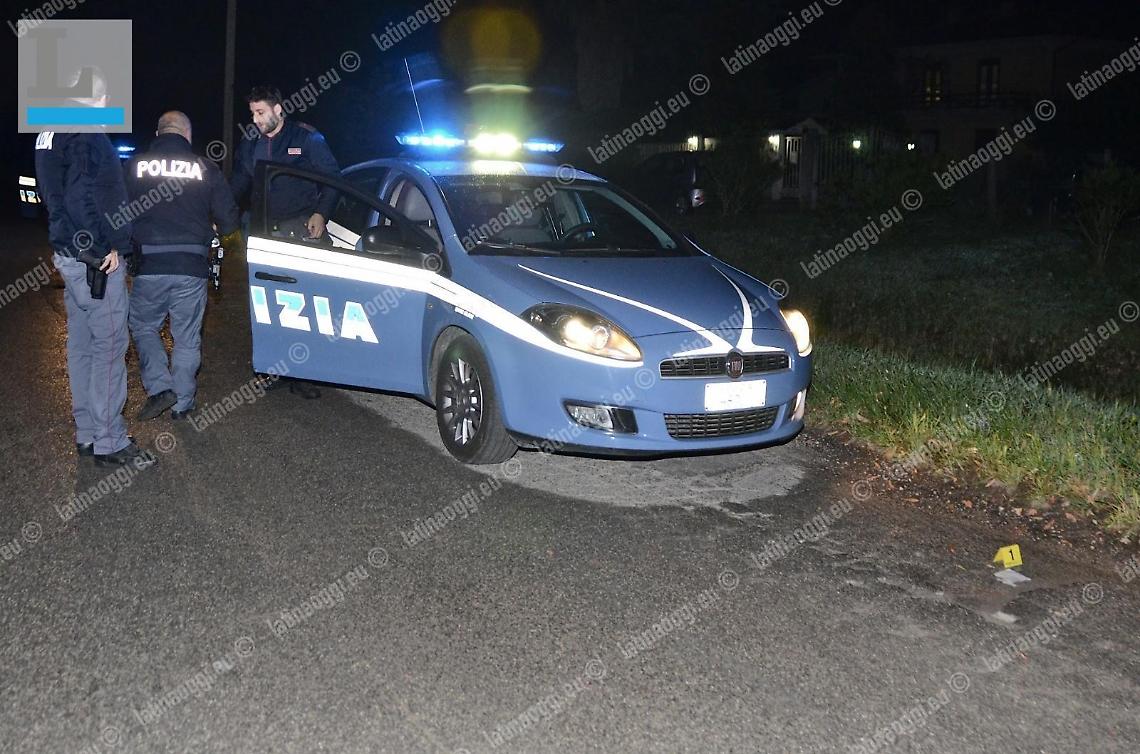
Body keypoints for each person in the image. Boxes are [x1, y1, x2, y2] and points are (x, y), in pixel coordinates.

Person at [34, 69, 153, 467]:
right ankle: (109, 439)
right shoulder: (86, 132)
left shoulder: (50, 130)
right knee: (110, 346)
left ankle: (87, 432)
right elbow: (84, 197)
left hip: (68, 255)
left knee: (82, 344)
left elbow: (55, 196)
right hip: (93, 260)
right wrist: (107, 247)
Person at [126, 112, 241, 421]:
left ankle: (160, 386)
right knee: (187, 338)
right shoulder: (206, 168)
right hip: (192, 265)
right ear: (187, 136)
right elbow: (230, 222)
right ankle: (182, 404)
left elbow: (116, 214)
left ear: (158, 132)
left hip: (149, 263)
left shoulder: (134, 166)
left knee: (143, 325)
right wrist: (222, 242)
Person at [230, 85, 341, 399]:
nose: (255, 119)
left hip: (300, 230)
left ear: (279, 110)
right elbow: (239, 181)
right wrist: (219, 212)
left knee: (303, 303)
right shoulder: (251, 142)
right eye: (252, 113)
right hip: (262, 231)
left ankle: (305, 373)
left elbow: (334, 178)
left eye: (260, 112)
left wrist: (322, 213)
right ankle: (271, 369)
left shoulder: (307, 138)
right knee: (268, 303)